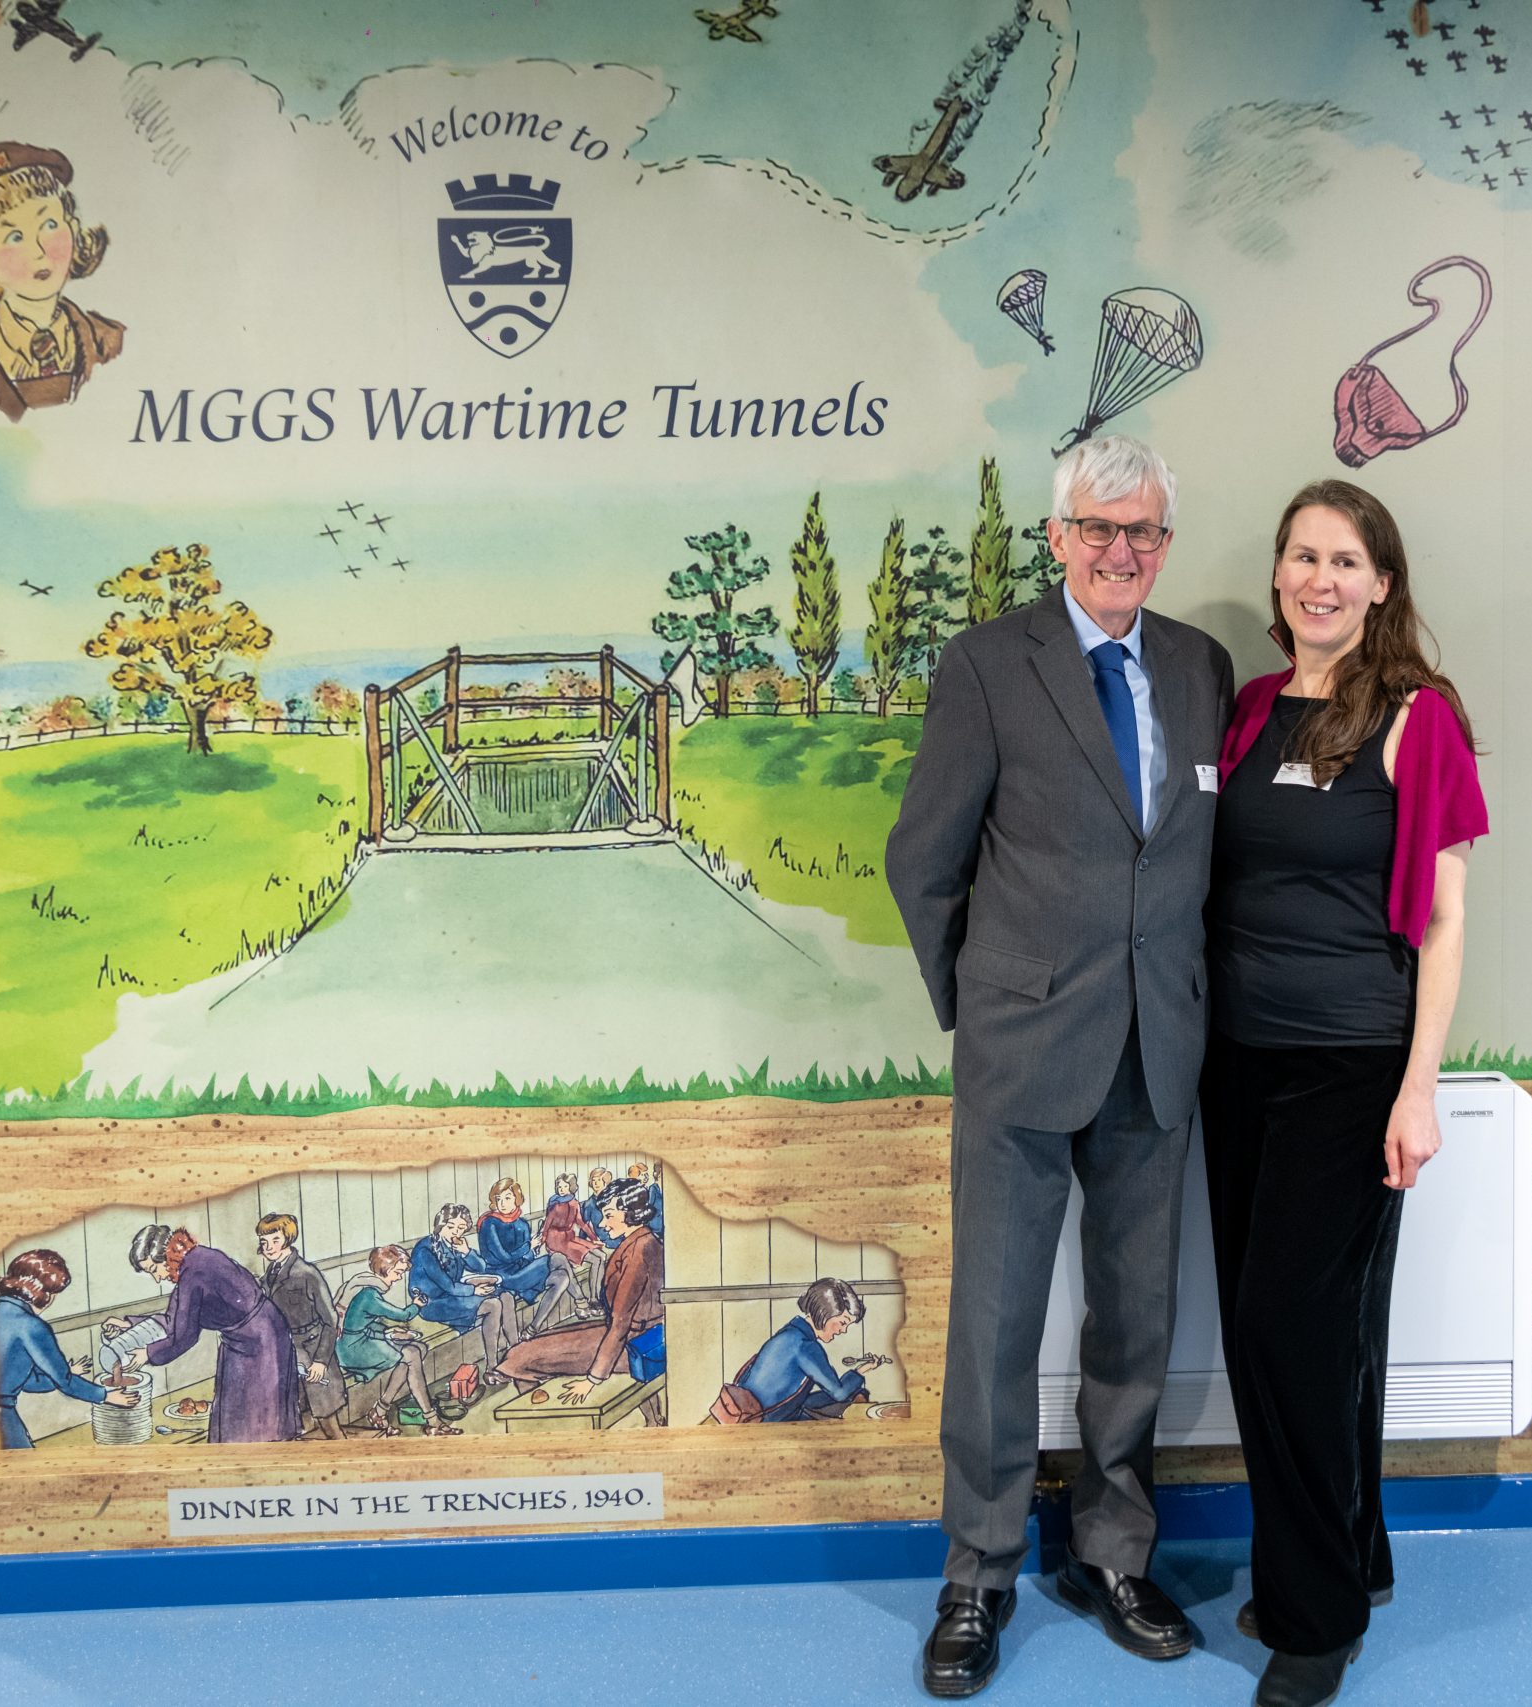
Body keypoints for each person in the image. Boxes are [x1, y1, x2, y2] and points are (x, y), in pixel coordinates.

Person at [886, 434, 1234, 1697]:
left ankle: (1111, 1552)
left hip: (1158, 1044)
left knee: (1136, 1320)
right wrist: (980, 1005)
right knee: (994, 1320)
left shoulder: (1198, 666)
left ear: (1164, 544)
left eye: (1142, 531)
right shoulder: (988, 664)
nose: (1119, 551)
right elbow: (923, 859)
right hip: (1021, 1047)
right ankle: (977, 1571)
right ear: (1057, 536)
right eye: (1098, 527)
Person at [1201, 478, 1487, 1707]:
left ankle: (1314, 1619)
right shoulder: (1251, 710)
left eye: (1344, 560)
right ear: (1279, 576)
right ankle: (1352, 1555)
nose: (1320, 578)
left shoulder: (1419, 719)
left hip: (1351, 1063)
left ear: (1381, 584)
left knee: (1293, 1333)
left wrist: (1417, 1090)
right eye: (1302, 556)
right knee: (1298, 1331)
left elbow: (1446, 919)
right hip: (1236, 1063)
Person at [0, 141, 124, 421]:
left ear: (73, 229)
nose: (38, 251)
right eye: (14, 237)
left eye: (49, 225)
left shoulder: (111, 344)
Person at [107, 1226, 300, 1444]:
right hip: (250, 1338)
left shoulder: (193, 1273)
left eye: (153, 1269)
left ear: (164, 1255)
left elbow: (185, 1336)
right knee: (239, 1421)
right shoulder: (193, 1262)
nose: (157, 1278)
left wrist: (148, 1354)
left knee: (256, 1423)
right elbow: (175, 1319)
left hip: (260, 1343)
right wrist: (129, 1324)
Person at [497, 1181, 665, 1405]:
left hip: (632, 1345)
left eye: (609, 1215)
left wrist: (593, 1379)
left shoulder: (638, 1251)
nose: (602, 1223)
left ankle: (540, 1416)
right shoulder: (645, 1241)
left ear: (631, 1213)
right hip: (637, 1336)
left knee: (518, 1356)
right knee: (539, 1342)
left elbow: (621, 1323)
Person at [0, 1250, 138, 1447]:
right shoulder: (31, 1326)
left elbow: (24, 1381)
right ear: (45, 1293)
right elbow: (65, 1382)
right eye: (54, 1293)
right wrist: (107, 1396)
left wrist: (68, 1372)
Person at [708, 1277, 892, 1423]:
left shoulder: (790, 1333)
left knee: (850, 1394)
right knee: (849, 1399)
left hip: (759, 1411)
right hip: (767, 1421)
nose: (843, 1330)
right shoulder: (805, 1346)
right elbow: (838, 1393)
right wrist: (861, 1370)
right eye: (842, 1323)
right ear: (825, 1313)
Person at [333, 1244, 457, 1437]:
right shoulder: (369, 1295)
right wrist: (417, 1305)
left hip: (361, 1339)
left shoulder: (364, 1285)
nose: (399, 1278)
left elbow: (360, 1323)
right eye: (398, 1273)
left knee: (419, 1349)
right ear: (386, 1269)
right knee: (412, 1354)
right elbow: (402, 1315)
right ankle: (432, 1420)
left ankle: (380, 1410)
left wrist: (388, 1333)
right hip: (351, 1349)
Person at [407, 1203, 528, 1384]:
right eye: (451, 1227)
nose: (456, 1232)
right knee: (493, 1305)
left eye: (461, 1228)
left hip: (454, 1296)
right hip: (433, 1303)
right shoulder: (425, 1250)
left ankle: (517, 1352)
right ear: (440, 1224)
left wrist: (466, 1252)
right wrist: (474, 1290)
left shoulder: (454, 1244)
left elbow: (480, 1266)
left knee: (506, 1296)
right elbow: (447, 1285)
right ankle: (492, 1368)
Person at [255, 1212, 348, 1440]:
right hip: (286, 1353)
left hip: (312, 1350)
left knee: (328, 1422)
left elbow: (330, 1320)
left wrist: (321, 1361)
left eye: (275, 1240)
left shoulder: (306, 1274)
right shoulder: (268, 1277)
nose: (269, 1247)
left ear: (288, 1239)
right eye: (264, 1242)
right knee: (293, 1421)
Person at [475, 1176, 579, 1330]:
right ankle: (581, 1301)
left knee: (562, 1278)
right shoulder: (489, 1223)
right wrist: (529, 1246)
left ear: (516, 1199)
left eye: (507, 1198)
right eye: (499, 1199)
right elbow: (504, 1257)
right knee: (558, 1258)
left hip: (522, 1272)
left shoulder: (522, 1224)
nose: (502, 1203)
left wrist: (532, 1250)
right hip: (502, 1276)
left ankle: (533, 1328)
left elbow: (527, 1259)